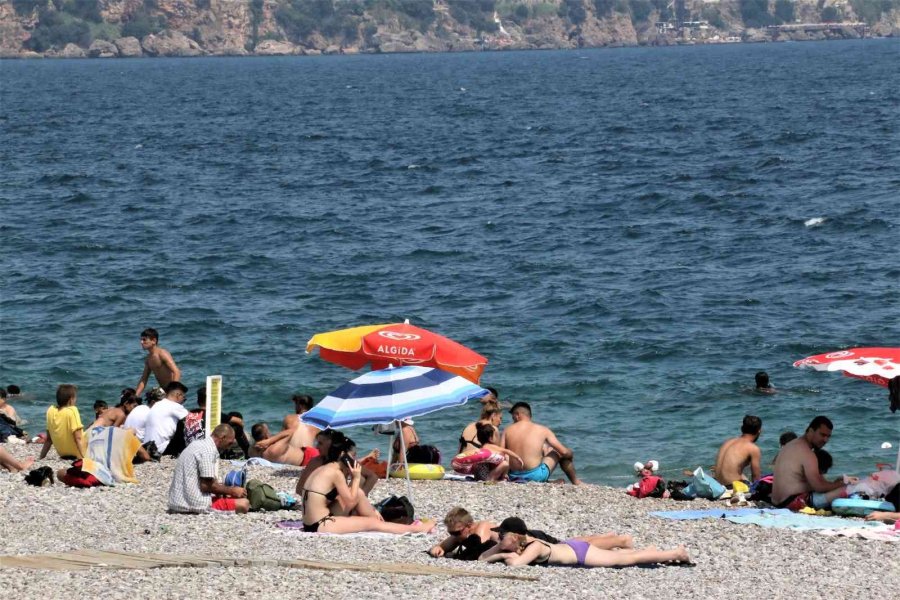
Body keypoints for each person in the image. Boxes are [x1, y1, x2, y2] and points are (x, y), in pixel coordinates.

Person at [300, 432, 434, 534]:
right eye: (352, 456)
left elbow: (349, 496)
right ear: (342, 455)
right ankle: (415, 529)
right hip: (321, 524)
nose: (354, 460)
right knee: (372, 523)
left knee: (358, 493)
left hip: (311, 522)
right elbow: (350, 501)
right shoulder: (336, 473)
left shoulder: (326, 468)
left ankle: (379, 519)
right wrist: (356, 477)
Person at [479, 517, 690, 568]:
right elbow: (481, 558)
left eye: (502, 536)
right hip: (571, 548)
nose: (499, 538)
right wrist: (500, 547)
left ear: (515, 537)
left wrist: (503, 554)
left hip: (580, 553)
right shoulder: (522, 544)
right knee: (620, 556)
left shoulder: (534, 547)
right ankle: (650, 551)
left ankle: (676, 553)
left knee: (626, 560)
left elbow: (516, 564)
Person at [429, 511, 631, 559]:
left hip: (528, 536)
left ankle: (620, 540)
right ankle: (608, 536)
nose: (453, 535)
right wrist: (438, 548)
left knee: (568, 545)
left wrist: (453, 554)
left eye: (456, 532)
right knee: (569, 542)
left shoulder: (480, 529)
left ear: (469, 526)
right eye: (451, 532)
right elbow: (441, 546)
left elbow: (479, 552)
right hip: (518, 537)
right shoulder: (460, 534)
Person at [772, 416, 855, 511]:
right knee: (851, 488)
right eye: (822, 435)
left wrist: (834, 483)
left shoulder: (791, 445)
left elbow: (806, 482)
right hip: (793, 503)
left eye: (828, 436)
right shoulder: (807, 453)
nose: (825, 440)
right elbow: (819, 487)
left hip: (778, 503)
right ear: (811, 431)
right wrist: (842, 484)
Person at [168, 424, 249, 514]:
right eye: (229, 443)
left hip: (176, 501)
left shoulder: (196, 444)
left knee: (228, 495)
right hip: (193, 504)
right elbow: (206, 486)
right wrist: (232, 490)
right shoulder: (208, 451)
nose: (229, 447)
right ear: (223, 438)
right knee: (244, 503)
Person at [502, 402, 582, 485]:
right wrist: (570, 454)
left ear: (517, 415)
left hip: (513, 476)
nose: (513, 420)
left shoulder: (507, 430)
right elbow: (563, 452)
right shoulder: (543, 430)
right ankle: (576, 482)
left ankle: (547, 482)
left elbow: (501, 453)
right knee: (558, 452)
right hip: (536, 477)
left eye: (513, 417)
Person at [295, 429, 379, 495]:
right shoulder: (316, 462)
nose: (316, 447)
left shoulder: (344, 460)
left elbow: (372, 476)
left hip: (341, 499)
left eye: (320, 443)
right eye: (317, 443)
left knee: (361, 479)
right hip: (324, 501)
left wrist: (363, 494)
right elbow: (299, 489)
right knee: (360, 480)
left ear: (331, 444)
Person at [254, 394, 320, 458]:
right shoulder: (318, 424)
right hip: (311, 456)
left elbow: (280, 439)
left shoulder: (289, 418)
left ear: (301, 406)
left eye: (296, 404)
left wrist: (268, 439)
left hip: (294, 457)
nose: (295, 407)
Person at [451, 423, 521, 481]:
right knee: (505, 460)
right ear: (490, 438)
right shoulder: (492, 447)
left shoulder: (480, 450)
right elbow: (507, 451)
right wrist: (517, 458)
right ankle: (503, 477)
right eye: (494, 436)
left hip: (478, 477)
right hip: (488, 477)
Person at [713, 415, 763, 487]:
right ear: (759, 431)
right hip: (731, 487)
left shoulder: (728, 442)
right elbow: (756, 477)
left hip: (717, 485)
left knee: (742, 475)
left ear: (742, 429)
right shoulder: (753, 448)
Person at [39, 384, 84, 460]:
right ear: (71, 399)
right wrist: (84, 458)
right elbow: (78, 438)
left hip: (62, 454)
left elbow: (49, 440)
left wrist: (41, 457)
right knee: (98, 423)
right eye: (75, 398)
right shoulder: (72, 411)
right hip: (77, 453)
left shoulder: (51, 411)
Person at [143, 381, 189, 455]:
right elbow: (194, 419)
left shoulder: (157, 404)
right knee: (188, 424)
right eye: (184, 398)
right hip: (161, 449)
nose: (183, 402)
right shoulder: (174, 405)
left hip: (148, 448)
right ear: (178, 395)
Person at [134, 328, 181, 397]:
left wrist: (172, 392)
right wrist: (135, 396)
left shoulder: (162, 353)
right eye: (141, 340)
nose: (141, 342)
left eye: (144, 340)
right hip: (163, 391)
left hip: (173, 390)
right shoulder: (148, 359)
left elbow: (177, 372)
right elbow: (144, 379)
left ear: (154, 341)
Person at [250, 421, 320, 467]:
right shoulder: (274, 449)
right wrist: (269, 440)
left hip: (304, 458)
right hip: (308, 457)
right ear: (266, 435)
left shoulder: (252, 451)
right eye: (268, 431)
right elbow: (291, 432)